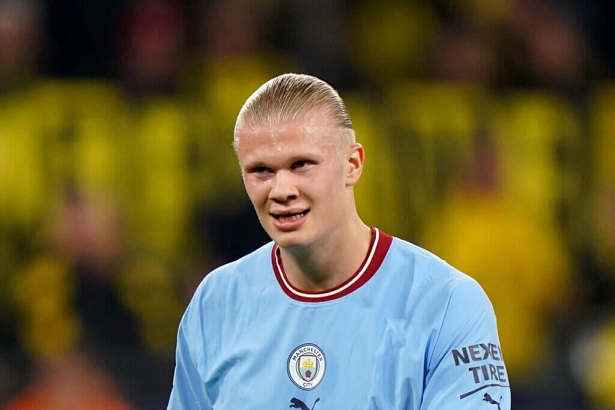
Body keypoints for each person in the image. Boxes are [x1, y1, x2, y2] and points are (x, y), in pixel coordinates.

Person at [167, 73, 511, 409]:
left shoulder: (446, 304)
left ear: (352, 164)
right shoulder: (216, 303)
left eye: (301, 164)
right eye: (261, 171)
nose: (282, 190)